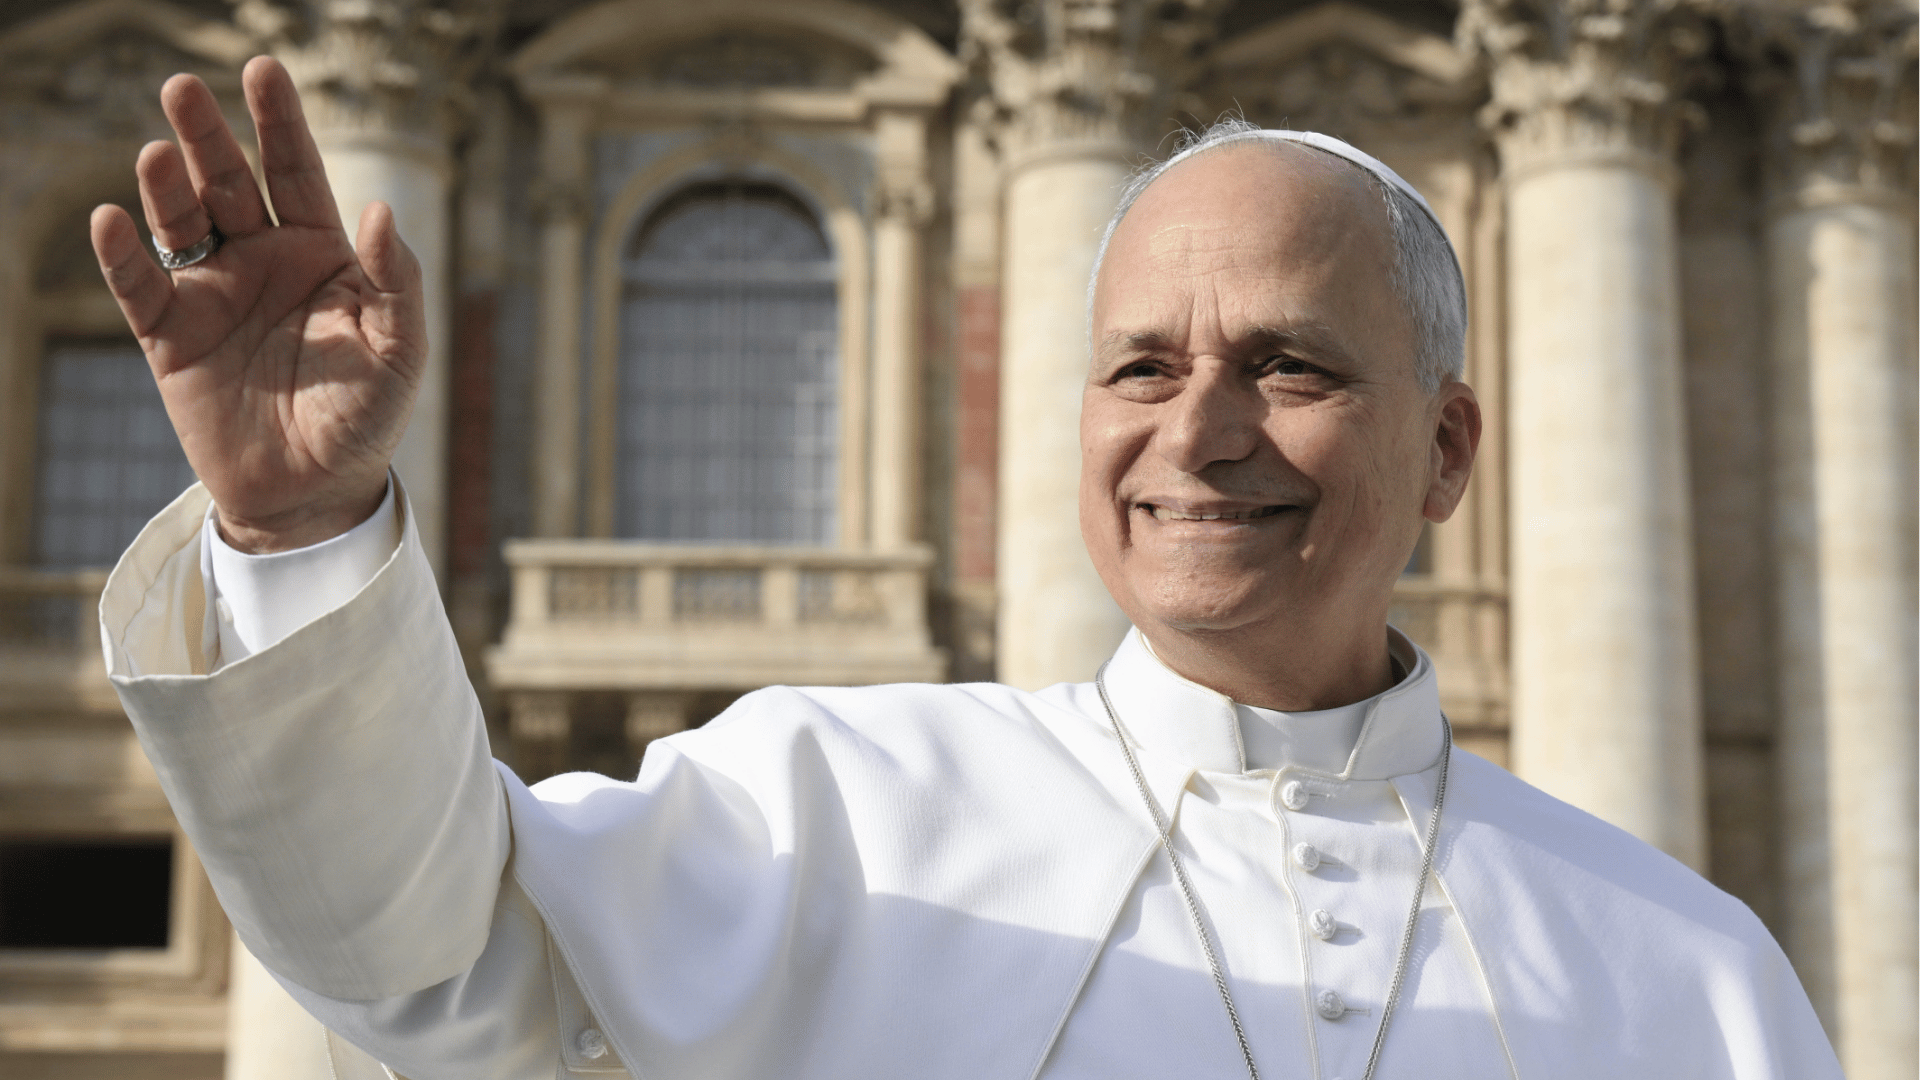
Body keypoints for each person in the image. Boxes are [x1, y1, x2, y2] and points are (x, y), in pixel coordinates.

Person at [92, 56, 1837, 1080]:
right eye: (1142, 367)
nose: (1200, 428)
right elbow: (422, 955)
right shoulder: (833, 809)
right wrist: (299, 531)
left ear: (1449, 450)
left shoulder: (1694, 981)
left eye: (1289, 367)